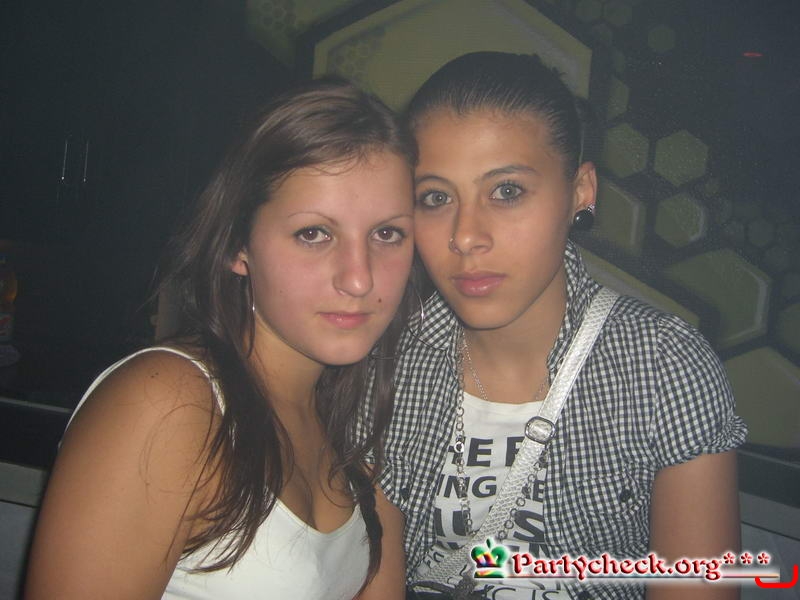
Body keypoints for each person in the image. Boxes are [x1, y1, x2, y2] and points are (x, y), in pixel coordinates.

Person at [374, 52, 747, 600]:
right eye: (435, 198)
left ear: (580, 191)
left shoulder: (661, 365)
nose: (466, 235)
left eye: (506, 191)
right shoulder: (387, 362)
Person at [25, 78, 415, 600]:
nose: (360, 279)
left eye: (387, 233)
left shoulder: (355, 429)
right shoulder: (169, 403)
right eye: (313, 233)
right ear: (237, 246)